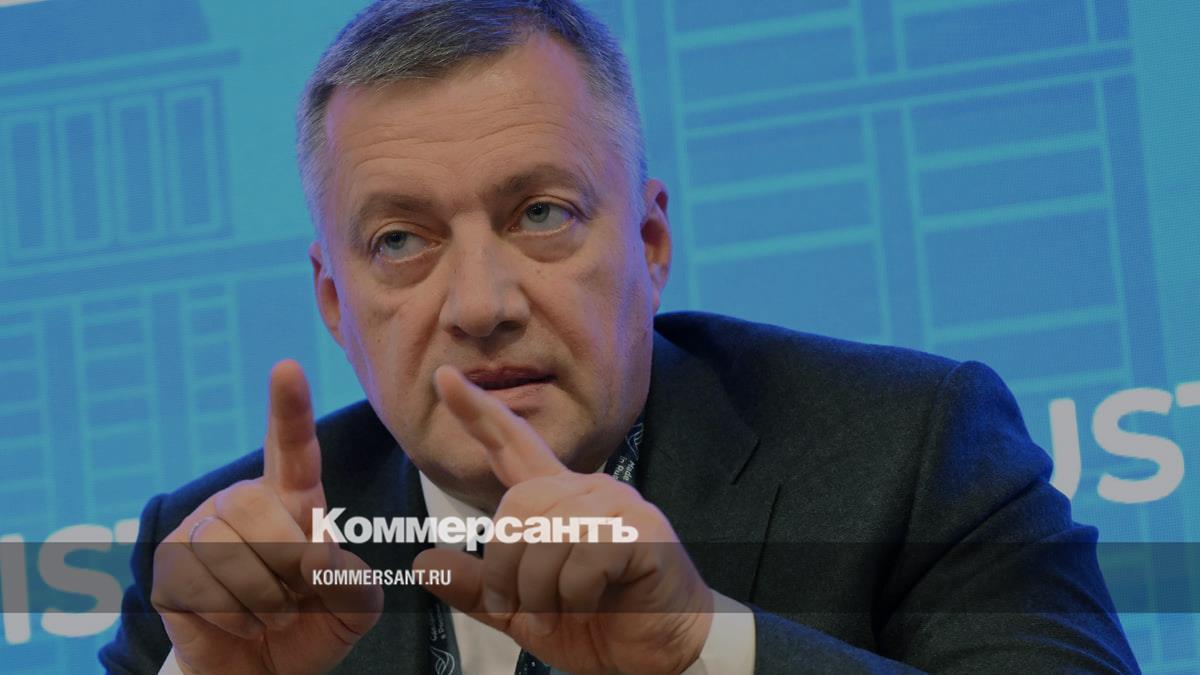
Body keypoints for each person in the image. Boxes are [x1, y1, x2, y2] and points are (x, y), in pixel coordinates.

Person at [100, 1, 1140, 673]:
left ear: (650, 241)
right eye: (401, 240)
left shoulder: (911, 451)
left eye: (540, 214)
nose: (481, 304)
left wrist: (700, 645)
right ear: (334, 301)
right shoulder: (217, 570)